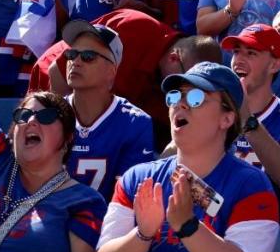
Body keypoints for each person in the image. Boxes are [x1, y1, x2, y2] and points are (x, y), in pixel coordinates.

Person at [96, 62, 280, 252]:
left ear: (227, 119)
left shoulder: (251, 185)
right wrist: (142, 234)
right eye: (175, 96)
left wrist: (189, 227)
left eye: (196, 98)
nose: (180, 104)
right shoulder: (137, 179)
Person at [0, 35, 105, 252]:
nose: (31, 121)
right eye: (23, 115)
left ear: (68, 139)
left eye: (47, 116)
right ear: (12, 132)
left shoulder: (84, 202)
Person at [30, 9, 223, 148]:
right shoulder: (134, 31)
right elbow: (58, 71)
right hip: (54, 83)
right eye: (184, 83)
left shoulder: (171, 88)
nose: (183, 92)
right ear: (174, 58)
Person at [59, 20, 154, 202]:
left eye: (88, 56)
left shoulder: (135, 123)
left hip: (104, 226)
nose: (75, 62)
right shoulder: (50, 113)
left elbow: (128, 200)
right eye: (71, 54)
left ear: (111, 71)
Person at [223, 24, 280, 193]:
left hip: (266, 216)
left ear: (274, 65)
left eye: (250, 53)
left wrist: (247, 120)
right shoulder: (215, 109)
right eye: (236, 52)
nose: (238, 60)